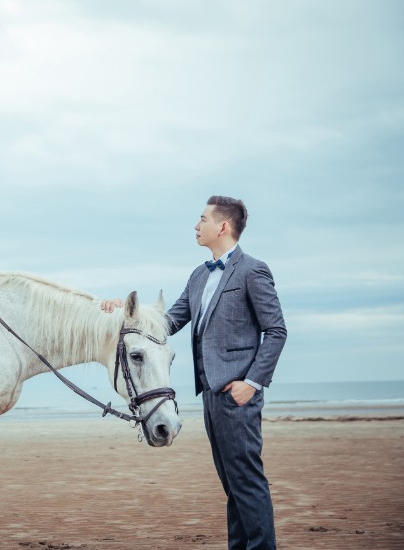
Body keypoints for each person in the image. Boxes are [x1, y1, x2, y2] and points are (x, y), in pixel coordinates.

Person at [103, 195, 286, 549]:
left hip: (237, 395)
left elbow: (276, 331)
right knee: (232, 485)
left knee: (247, 481)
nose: (196, 226)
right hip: (211, 395)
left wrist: (251, 383)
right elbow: (168, 323)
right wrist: (120, 313)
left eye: (202, 219)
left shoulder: (253, 270)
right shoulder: (199, 275)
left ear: (223, 226)